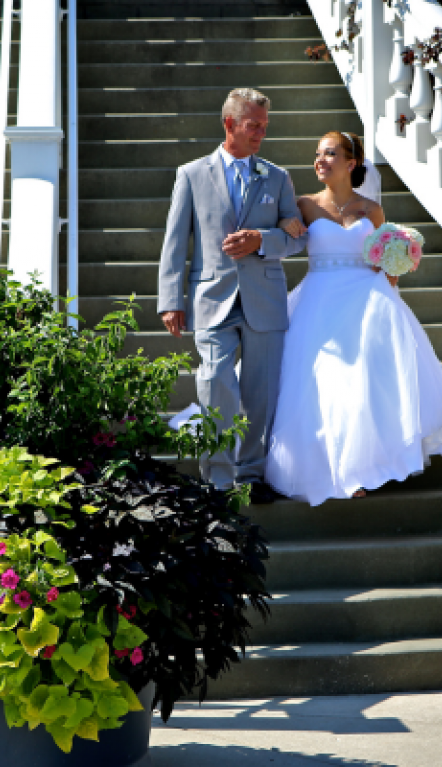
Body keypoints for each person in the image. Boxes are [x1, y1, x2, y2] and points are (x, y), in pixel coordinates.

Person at [265, 131, 442, 506]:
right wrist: (284, 225)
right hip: (320, 296)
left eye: (329, 154)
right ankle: (336, 469)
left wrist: (398, 260)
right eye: (317, 154)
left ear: (351, 163)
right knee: (326, 380)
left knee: (367, 377)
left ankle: (366, 465)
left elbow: (384, 259)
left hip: (367, 297)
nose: (320, 160)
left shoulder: (370, 210)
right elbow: (283, 237)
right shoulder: (304, 205)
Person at [157, 88, 308, 503]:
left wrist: (263, 238)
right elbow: (175, 241)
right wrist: (171, 299)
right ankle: (219, 477)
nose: (260, 133)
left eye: (264, 126)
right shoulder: (190, 174)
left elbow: (297, 237)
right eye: (252, 125)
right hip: (211, 299)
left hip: (265, 301)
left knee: (261, 394)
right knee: (215, 381)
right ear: (229, 124)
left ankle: (251, 474)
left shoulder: (276, 177)